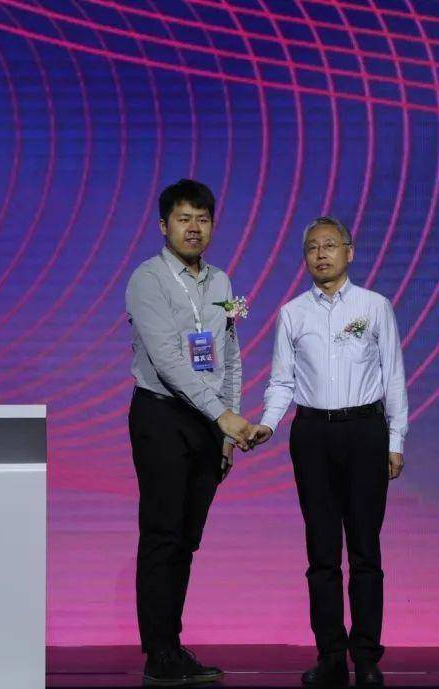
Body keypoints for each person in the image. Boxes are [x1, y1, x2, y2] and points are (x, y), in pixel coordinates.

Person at [249, 216, 409, 688]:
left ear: (349, 252)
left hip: (365, 432)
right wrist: (267, 423)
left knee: (365, 551)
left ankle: (367, 658)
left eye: (330, 245)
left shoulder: (375, 306)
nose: (321, 254)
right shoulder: (292, 313)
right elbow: (282, 381)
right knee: (321, 552)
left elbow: (393, 376)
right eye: (312, 248)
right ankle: (332, 657)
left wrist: (396, 440)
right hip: (313, 435)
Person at [125, 178, 252, 686]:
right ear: (164, 225)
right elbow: (169, 362)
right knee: (162, 535)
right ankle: (159, 654)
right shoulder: (148, 279)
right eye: (184, 218)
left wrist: (228, 424)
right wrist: (221, 416)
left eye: (202, 218)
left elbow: (230, 355)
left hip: (209, 423)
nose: (194, 227)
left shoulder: (221, 283)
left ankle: (172, 647)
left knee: (186, 540)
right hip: (161, 416)